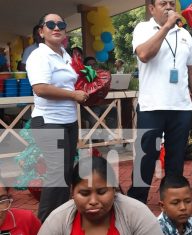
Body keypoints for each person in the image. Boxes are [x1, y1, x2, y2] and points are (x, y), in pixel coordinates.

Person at [127, 0, 192, 204]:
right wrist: (167, 26)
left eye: (172, 2)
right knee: (146, 156)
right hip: (152, 107)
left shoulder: (185, 34)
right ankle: (137, 200)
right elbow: (144, 54)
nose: (169, 6)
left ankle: (170, 197)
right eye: (163, 3)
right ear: (152, 8)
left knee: (176, 158)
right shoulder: (143, 28)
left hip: (180, 107)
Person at [26, 13, 89, 222]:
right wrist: (73, 95)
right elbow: (41, 88)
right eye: (50, 24)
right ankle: (45, 224)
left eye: (60, 24)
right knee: (58, 175)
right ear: (41, 31)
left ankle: (62, 219)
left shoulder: (65, 55)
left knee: (65, 173)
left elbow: (73, 83)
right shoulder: (39, 56)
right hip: (49, 122)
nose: (56, 27)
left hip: (69, 121)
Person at [38, 156, 164, 235]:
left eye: (102, 192)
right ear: (73, 192)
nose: (93, 201)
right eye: (84, 193)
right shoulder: (58, 219)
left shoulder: (137, 213)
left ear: (114, 190)